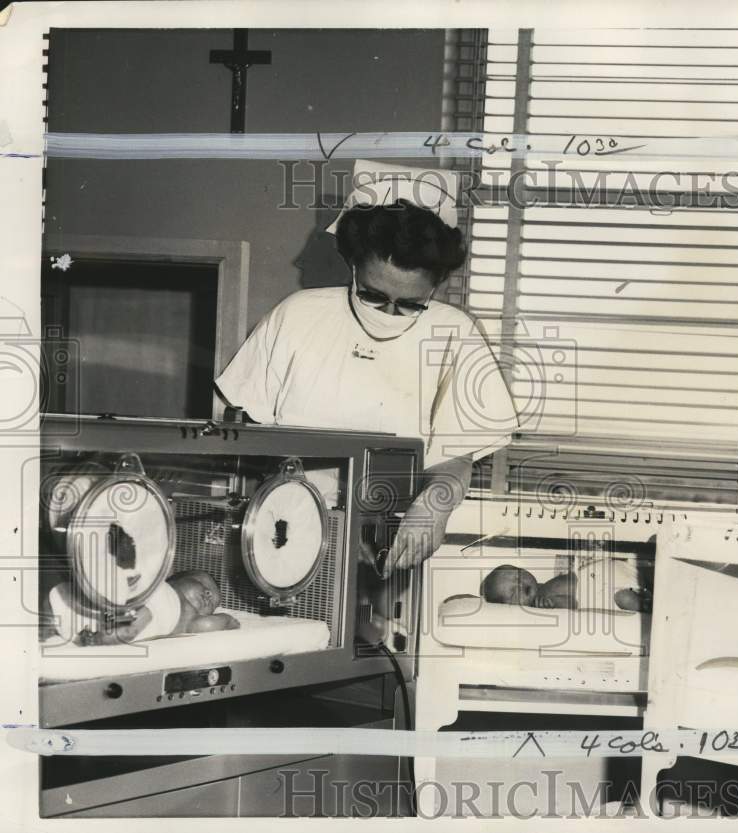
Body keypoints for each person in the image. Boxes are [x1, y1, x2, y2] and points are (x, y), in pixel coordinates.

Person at [215, 162, 519, 577]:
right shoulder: (298, 316)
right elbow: (239, 439)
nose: (390, 313)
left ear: (437, 285)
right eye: (373, 296)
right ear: (353, 266)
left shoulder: (454, 333)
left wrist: (435, 505)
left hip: (385, 543)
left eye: (411, 304)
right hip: (280, 529)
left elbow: (454, 459)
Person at [47, 571, 240, 646]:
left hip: (149, 610)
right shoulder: (163, 585)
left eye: (213, 604)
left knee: (139, 616)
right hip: (125, 596)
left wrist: (228, 620)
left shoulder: (190, 620)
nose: (208, 597)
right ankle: (56, 616)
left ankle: (99, 637)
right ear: (178, 580)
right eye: (204, 587)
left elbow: (207, 625)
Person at [480, 556, 651, 612]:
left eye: (517, 575)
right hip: (604, 596)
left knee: (626, 592)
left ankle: (644, 596)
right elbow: (572, 606)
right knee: (625, 598)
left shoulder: (546, 588)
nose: (519, 584)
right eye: (513, 593)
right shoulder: (544, 603)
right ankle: (645, 602)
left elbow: (573, 595)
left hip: (601, 580)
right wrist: (554, 605)